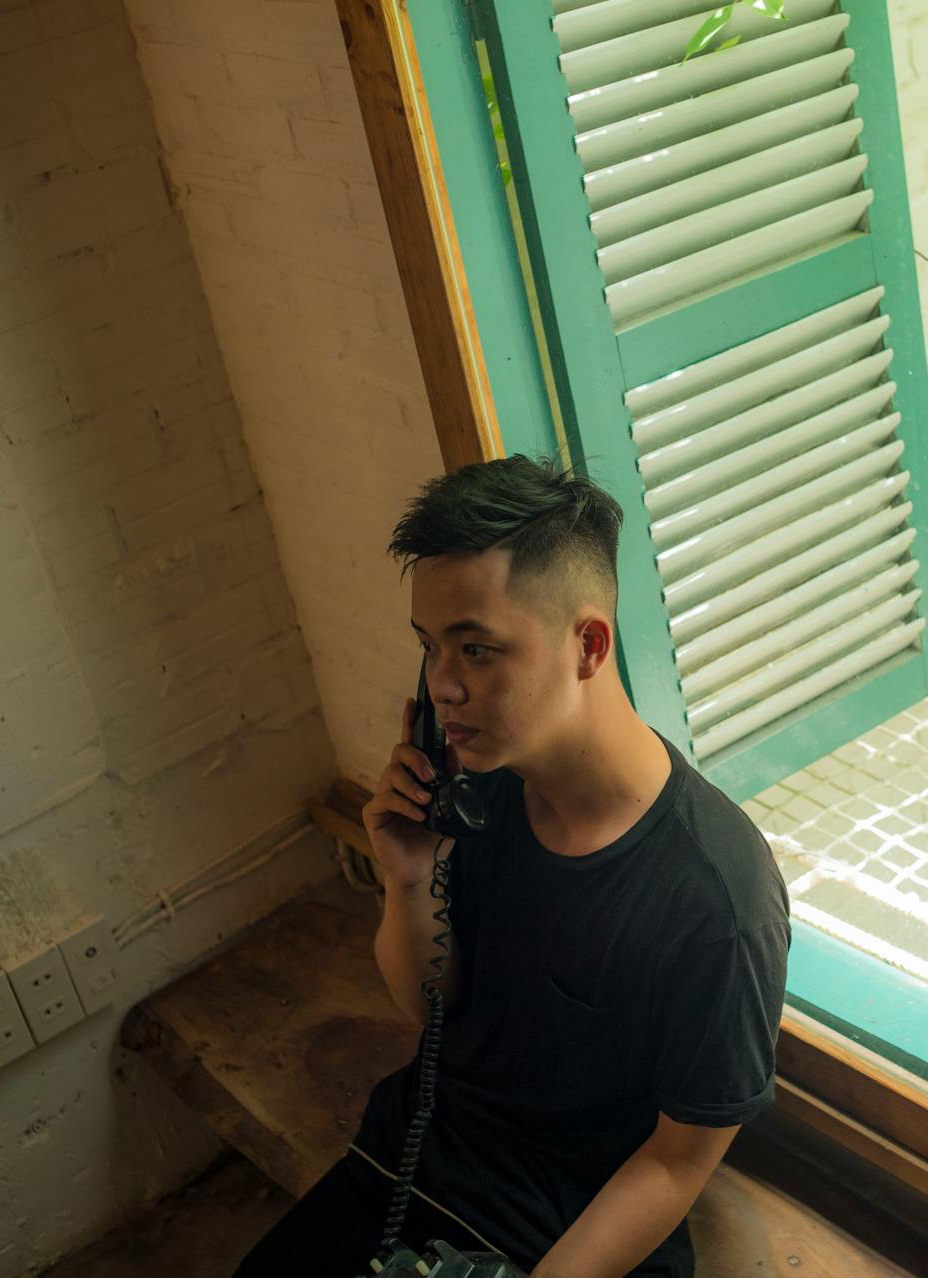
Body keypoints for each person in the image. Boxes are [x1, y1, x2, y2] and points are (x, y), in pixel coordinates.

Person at [235, 455, 792, 1277]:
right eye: (430, 649)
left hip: (565, 1232)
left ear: (589, 645)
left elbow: (677, 1163)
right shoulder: (477, 791)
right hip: (407, 1172)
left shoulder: (715, 897)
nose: (443, 689)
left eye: (477, 651)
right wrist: (409, 878)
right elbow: (433, 1014)